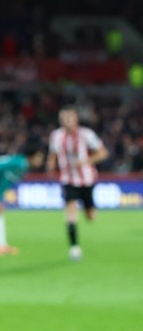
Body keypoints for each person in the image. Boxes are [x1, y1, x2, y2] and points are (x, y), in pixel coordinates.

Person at [47, 106, 109, 261]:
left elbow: (103, 153)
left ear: (76, 119)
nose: (66, 122)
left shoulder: (86, 134)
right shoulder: (56, 136)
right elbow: (53, 154)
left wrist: (86, 161)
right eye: (63, 119)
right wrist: (50, 167)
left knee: (90, 217)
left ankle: (88, 209)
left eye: (69, 118)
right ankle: (74, 248)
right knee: (70, 212)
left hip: (87, 180)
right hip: (68, 180)